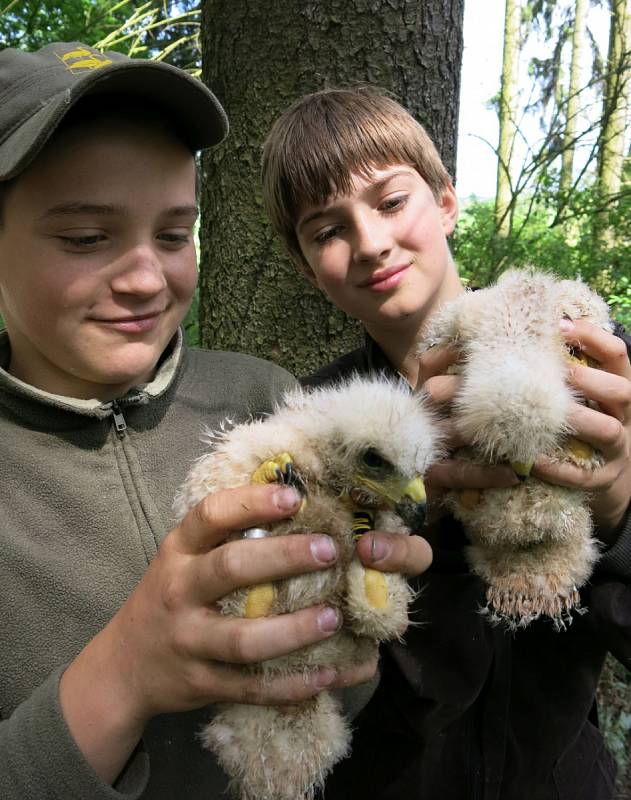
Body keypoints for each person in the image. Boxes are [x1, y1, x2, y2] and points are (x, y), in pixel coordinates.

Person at [0, 46, 432, 800]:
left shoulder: (265, 396)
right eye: (84, 238)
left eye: (173, 235)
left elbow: (347, 693)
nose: (144, 278)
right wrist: (125, 672)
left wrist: (348, 632)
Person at [261, 86, 631, 799]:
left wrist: (617, 504)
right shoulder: (312, 431)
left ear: (446, 202)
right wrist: (401, 524)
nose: (369, 242)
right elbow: (322, 676)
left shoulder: (596, 365)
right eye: (327, 230)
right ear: (307, 269)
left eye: (390, 201)